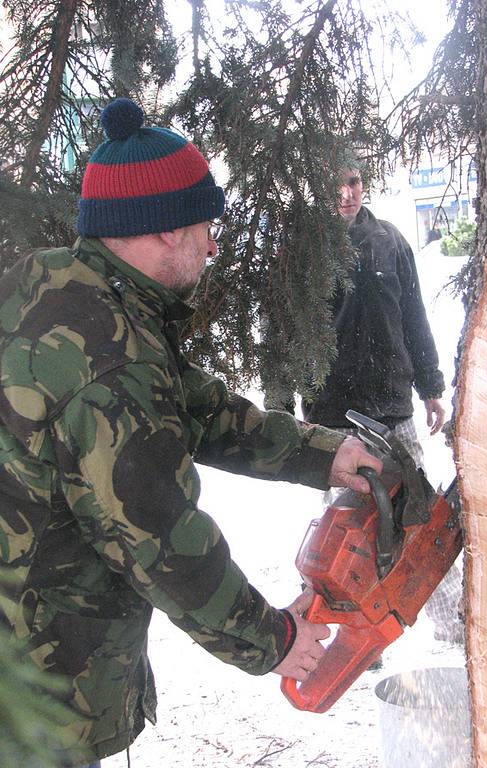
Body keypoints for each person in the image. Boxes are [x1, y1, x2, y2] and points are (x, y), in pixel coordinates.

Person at [0, 99, 383, 768]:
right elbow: (162, 542)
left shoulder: (62, 287)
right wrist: (273, 638)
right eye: (206, 226)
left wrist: (325, 456)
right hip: (35, 699)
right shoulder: (108, 359)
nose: (212, 244)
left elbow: (194, 407)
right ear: (164, 231)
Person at [300, 163, 463, 646]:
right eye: (336, 181)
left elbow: (413, 316)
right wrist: (278, 396)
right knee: (345, 531)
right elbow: (286, 326)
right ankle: (353, 636)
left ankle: (452, 624)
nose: (346, 193)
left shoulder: (390, 241)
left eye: (353, 181)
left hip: (391, 404)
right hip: (333, 415)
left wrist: (431, 386)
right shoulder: (306, 248)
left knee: (423, 515)